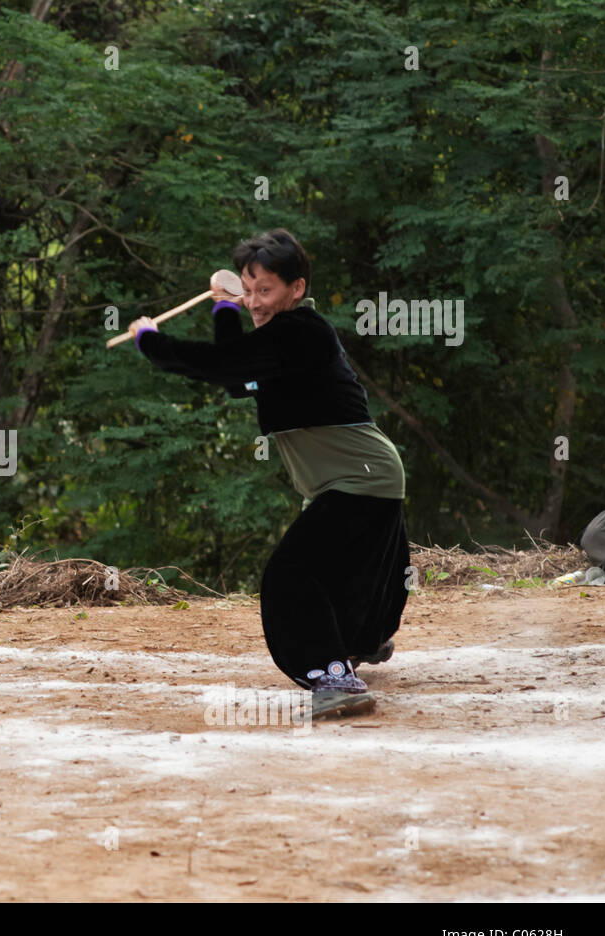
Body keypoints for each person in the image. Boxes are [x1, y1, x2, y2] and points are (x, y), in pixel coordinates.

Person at [128, 228, 408, 718]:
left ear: (296, 289)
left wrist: (152, 341)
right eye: (247, 289)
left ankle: (333, 678)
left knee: (290, 573)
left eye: (266, 291)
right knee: (344, 570)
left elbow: (221, 365)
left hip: (358, 478)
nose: (255, 301)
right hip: (361, 477)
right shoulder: (280, 342)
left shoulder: (301, 331)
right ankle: (364, 639)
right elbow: (239, 379)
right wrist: (223, 310)